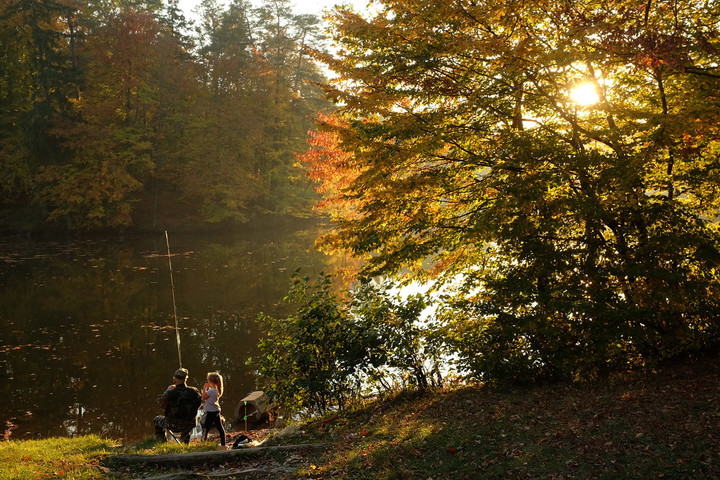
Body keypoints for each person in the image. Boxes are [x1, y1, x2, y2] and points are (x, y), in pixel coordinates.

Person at [154, 368, 202, 444]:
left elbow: (161, 404)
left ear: (174, 379)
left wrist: (167, 390)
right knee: (189, 420)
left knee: (157, 420)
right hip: (189, 423)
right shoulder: (195, 391)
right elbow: (198, 405)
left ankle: (162, 443)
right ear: (186, 379)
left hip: (173, 425)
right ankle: (185, 443)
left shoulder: (170, 393)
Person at [201, 371, 226, 448]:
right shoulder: (217, 390)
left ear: (211, 382)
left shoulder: (211, 391)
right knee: (220, 428)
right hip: (216, 411)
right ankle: (223, 444)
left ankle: (202, 443)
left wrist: (204, 388)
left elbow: (203, 397)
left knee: (205, 428)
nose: (207, 382)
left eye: (208, 380)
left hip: (210, 412)